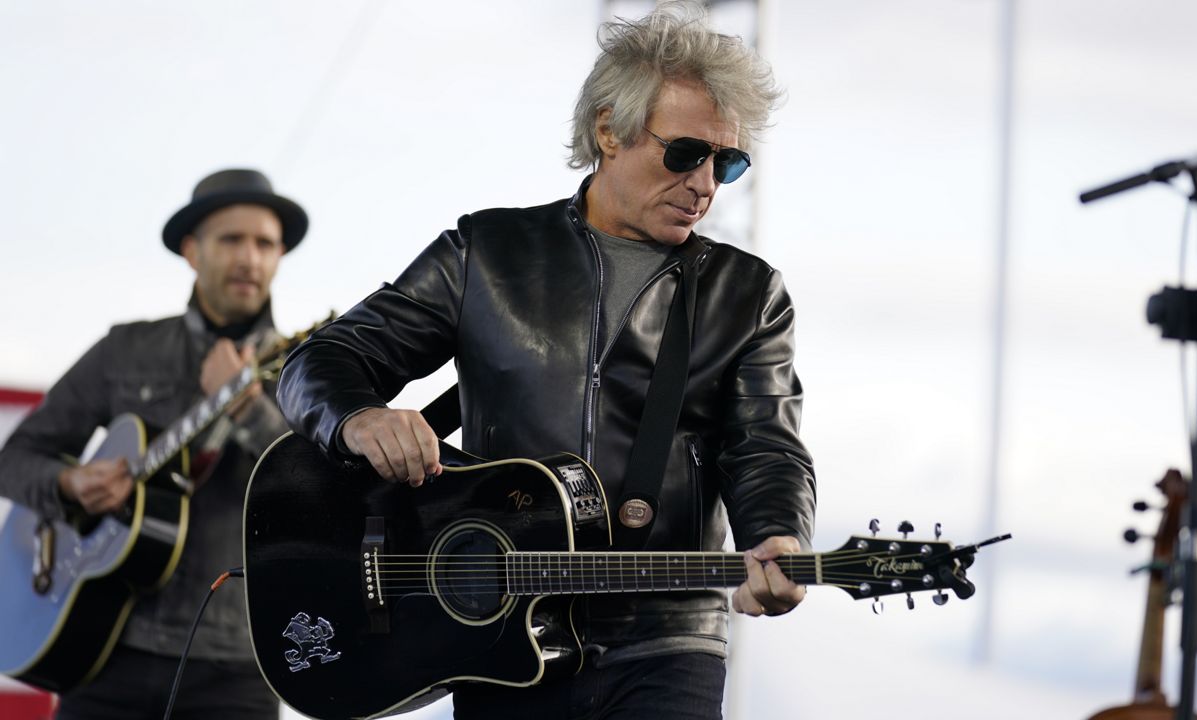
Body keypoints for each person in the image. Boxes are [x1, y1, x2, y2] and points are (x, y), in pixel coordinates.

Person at [276, 3, 815, 718]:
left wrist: (780, 532)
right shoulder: (483, 255)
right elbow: (322, 360)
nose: (705, 184)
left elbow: (765, 443)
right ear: (608, 129)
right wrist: (357, 418)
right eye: (685, 152)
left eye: (729, 161)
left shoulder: (749, 293)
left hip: (667, 637)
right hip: (497, 637)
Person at [0, 168, 306, 719]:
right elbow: (14, 460)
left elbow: (317, 486)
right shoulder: (127, 349)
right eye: (231, 239)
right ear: (192, 251)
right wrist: (69, 483)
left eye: (265, 243)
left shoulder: (307, 367)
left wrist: (247, 410)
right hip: (102, 651)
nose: (250, 259)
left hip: (234, 663)